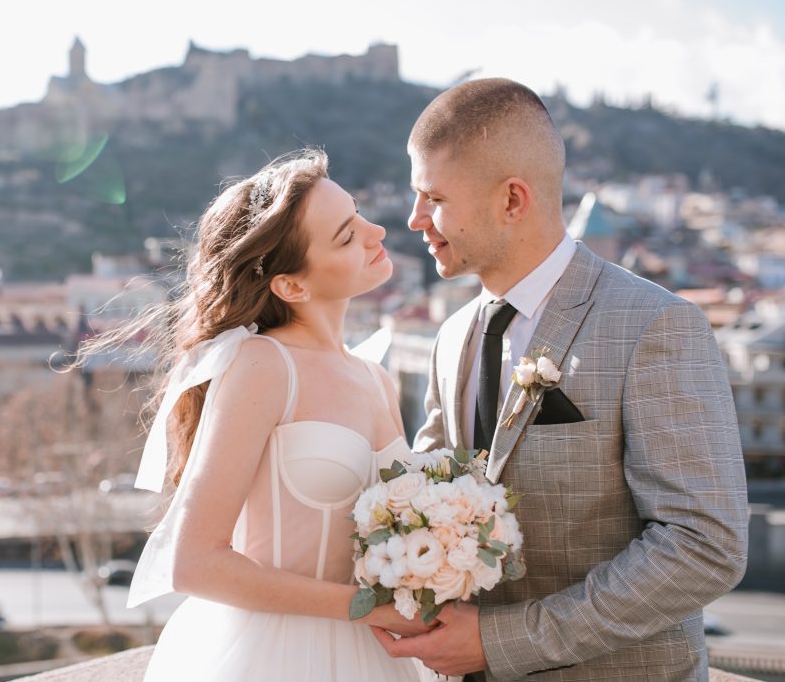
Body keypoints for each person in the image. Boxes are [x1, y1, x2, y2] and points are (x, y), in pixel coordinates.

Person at [370, 78, 749, 680]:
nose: (414, 219)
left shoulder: (655, 325)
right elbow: (430, 495)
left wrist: (502, 641)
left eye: (433, 197)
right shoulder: (452, 337)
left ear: (513, 200)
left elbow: (704, 546)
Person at [93, 149, 435, 680]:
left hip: (377, 657)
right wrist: (363, 608)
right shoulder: (264, 365)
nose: (377, 233)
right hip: (273, 654)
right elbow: (196, 562)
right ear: (291, 285)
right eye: (346, 236)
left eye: (360, 214)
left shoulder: (375, 376)